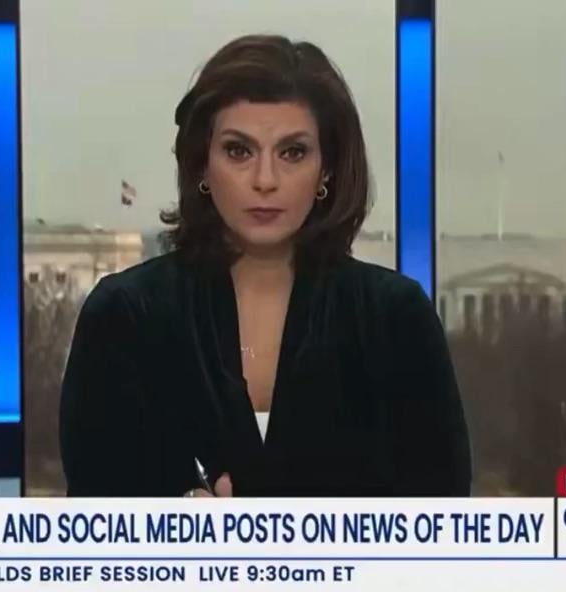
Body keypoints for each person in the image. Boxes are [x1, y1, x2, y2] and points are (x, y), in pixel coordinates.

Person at [59, 34, 471, 497]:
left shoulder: (394, 318)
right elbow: (96, 519)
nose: (265, 180)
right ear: (201, 165)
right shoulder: (126, 315)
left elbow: (444, 519)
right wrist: (175, 529)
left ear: (327, 169)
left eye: (292, 152)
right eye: (239, 151)